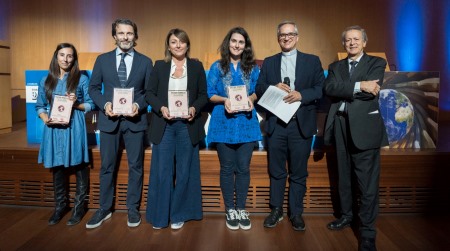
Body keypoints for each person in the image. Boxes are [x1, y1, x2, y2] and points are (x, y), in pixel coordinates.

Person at [323, 25, 388, 251]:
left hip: (365, 128)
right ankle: (346, 216)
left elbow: (373, 88)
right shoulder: (335, 66)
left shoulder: (376, 63)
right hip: (340, 125)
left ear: (364, 42)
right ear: (344, 43)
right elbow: (330, 88)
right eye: (348, 40)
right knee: (344, 178)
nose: (352, 43)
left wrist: (347, 89)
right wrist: (360, 86)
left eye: (356, 39)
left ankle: (368, 232)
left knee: (367, 183)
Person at [255, 20, 324, 231]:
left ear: (297, 37)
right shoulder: (269, 62)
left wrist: (302, 95)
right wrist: (273, 87)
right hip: (276, 125)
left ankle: (296, 213)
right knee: (276, 171)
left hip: (300, 125)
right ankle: (276, 210)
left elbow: (321, 88)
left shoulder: (312, 61)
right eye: (282, 35)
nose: (286, 38)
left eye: (290, 34)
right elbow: (259, 88)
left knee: (298, 172)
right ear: (278, 38)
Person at [86, 18, 153, 229]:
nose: (125, 37)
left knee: (136, 167)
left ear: (135, 36)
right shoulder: (102, 60)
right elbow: (93, 88)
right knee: (106, 167)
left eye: (129, 33)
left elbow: (149, 92)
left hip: (135, 121)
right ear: (114, 36)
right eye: (121, 33)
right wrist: (105, 104)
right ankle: (104, 209)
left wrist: (137, 105)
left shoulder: (145, 61)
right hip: (109, 121)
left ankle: (132, 209)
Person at [145, 28, 207, 230]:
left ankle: (179, 213)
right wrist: (161, 108)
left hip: (187, 125)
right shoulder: (160, 66)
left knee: (184, 172)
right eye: (173, 42)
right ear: (168, 46)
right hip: (165, 124)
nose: (178, 45)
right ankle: (160, 217)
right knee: (162, 172)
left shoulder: (196, 67)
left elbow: (203, 95)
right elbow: (149, 94)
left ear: (187, 45)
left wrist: (194, 108)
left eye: (181, 42)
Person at [207, 27, 261, 230]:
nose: (237, 45)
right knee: (227, 168)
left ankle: (241, 208)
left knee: (244, 168)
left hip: (246, 121)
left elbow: (257, 91)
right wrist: (225, 100)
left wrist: (251, 98)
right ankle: (230, 209)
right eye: (233, 41)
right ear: (227, 43)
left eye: (241, 42)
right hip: (224, 122)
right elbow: (209, 93)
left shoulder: (253, 68)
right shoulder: (217, 67)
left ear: (245, 46)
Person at [36, 43, 94, 226]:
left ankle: (78, 209)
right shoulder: (45, 79)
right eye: (62, 55)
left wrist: (76, 103)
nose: (65, 59)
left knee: (79, 166)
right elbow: (39, 106)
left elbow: (91, 104)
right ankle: (60, 207)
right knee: (58, 168)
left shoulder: (81, 79)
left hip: (74, 127)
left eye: (69, 56)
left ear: (74, 59)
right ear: (56, 56)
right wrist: (46, 119)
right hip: (53, 129)